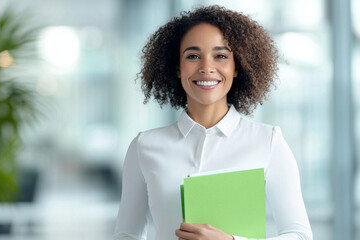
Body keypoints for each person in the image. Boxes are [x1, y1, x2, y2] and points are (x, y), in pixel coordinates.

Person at [113, 5, 313, 240]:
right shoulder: (144, 146)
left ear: (237, 66)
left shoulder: (268, 141)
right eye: (193, 56)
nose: (207, 67)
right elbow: (126, 234)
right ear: (177, 67)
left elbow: (299, 235)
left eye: (220, 56)